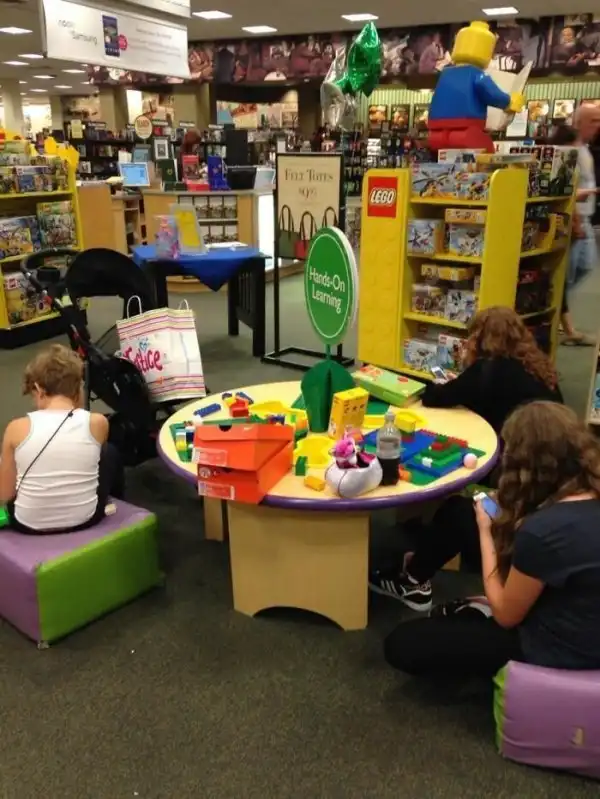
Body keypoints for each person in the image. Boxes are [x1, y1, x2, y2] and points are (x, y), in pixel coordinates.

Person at [383, 402, 600, 677]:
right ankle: (425, 582)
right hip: (576, 608)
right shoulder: (585, 489)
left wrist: (486, 530)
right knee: (459, 512)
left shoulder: (543, 531)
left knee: (402, 644)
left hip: (557, 649)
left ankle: (477, 618)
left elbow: (505, 616)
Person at [369, 306, 562, 611]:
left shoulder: (488, 369)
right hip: (550, 481)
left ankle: (413, 580)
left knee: (457, 510)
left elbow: (436, 396)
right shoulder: (539, 369)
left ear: (480, 338)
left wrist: (460, 372)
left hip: (519, 491)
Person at [0, 344, 124, 534]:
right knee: (109, 453)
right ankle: (116, 505)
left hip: (27, 523)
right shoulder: (97, 423)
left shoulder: (16, 428)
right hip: (86, 518)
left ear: (38, 389)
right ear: (78, 386)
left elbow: (5, 494)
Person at [550, 124, 595, 345]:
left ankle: (562, 319)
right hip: (567, 222)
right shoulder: (564, 160)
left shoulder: (581, 155)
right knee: (562, 277)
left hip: (578, 220)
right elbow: (563, 194)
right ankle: (568, 328)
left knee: (579, 269)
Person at [571, 104, 600, 288]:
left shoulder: (585, 148)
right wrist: (575, 221)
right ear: (579, 123)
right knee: (568, 276)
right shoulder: (571, 150)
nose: (598, 125)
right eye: (593, 121)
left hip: (585, 220)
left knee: (587, 268)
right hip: (574, 221)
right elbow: (568, 190)